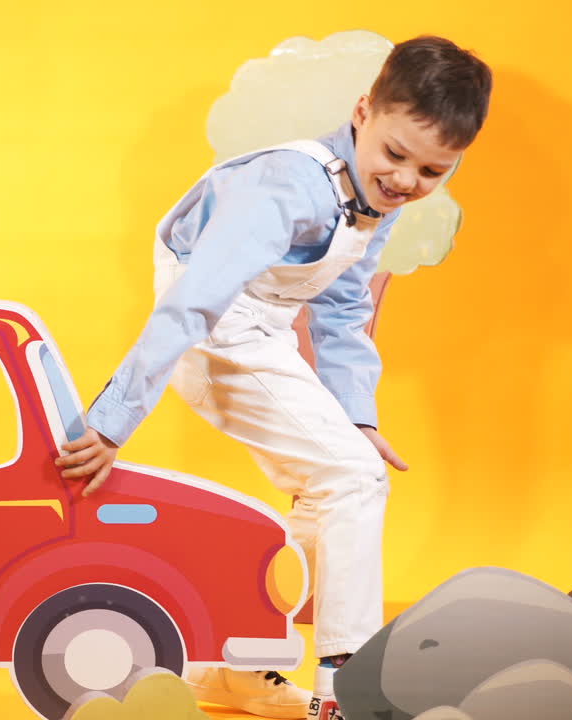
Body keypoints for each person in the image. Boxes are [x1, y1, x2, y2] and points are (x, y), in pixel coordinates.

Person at [54, 35, 492, 720]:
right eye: (396, 155)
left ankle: (238, 664)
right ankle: (348, 689)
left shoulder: (378, 200)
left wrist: (357, 419)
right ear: (361, 113)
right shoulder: (285, 188)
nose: (407, 181)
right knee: (352, 480)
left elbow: (344, 308)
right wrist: (112, 423)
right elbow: (193, 300)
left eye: (433, 170)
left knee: (335, 483)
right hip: (214, 326)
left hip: (264, 329)